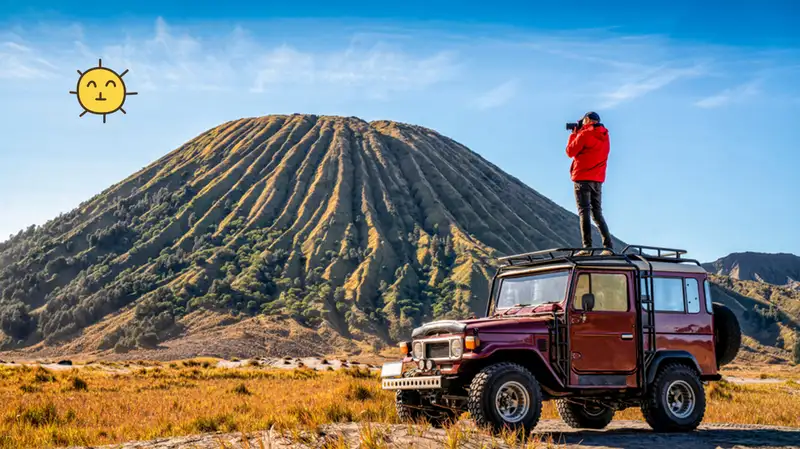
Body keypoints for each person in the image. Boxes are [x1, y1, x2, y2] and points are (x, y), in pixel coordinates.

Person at [565, 111, 613, 256]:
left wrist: (574, 134)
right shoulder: (605, 136)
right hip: (597, 179)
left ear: (587, 120)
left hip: (582, 177)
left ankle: (587, 248)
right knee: (597, 213)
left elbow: (570, 151)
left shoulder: (584, 135)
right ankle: (608, 246)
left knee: (583, 211)